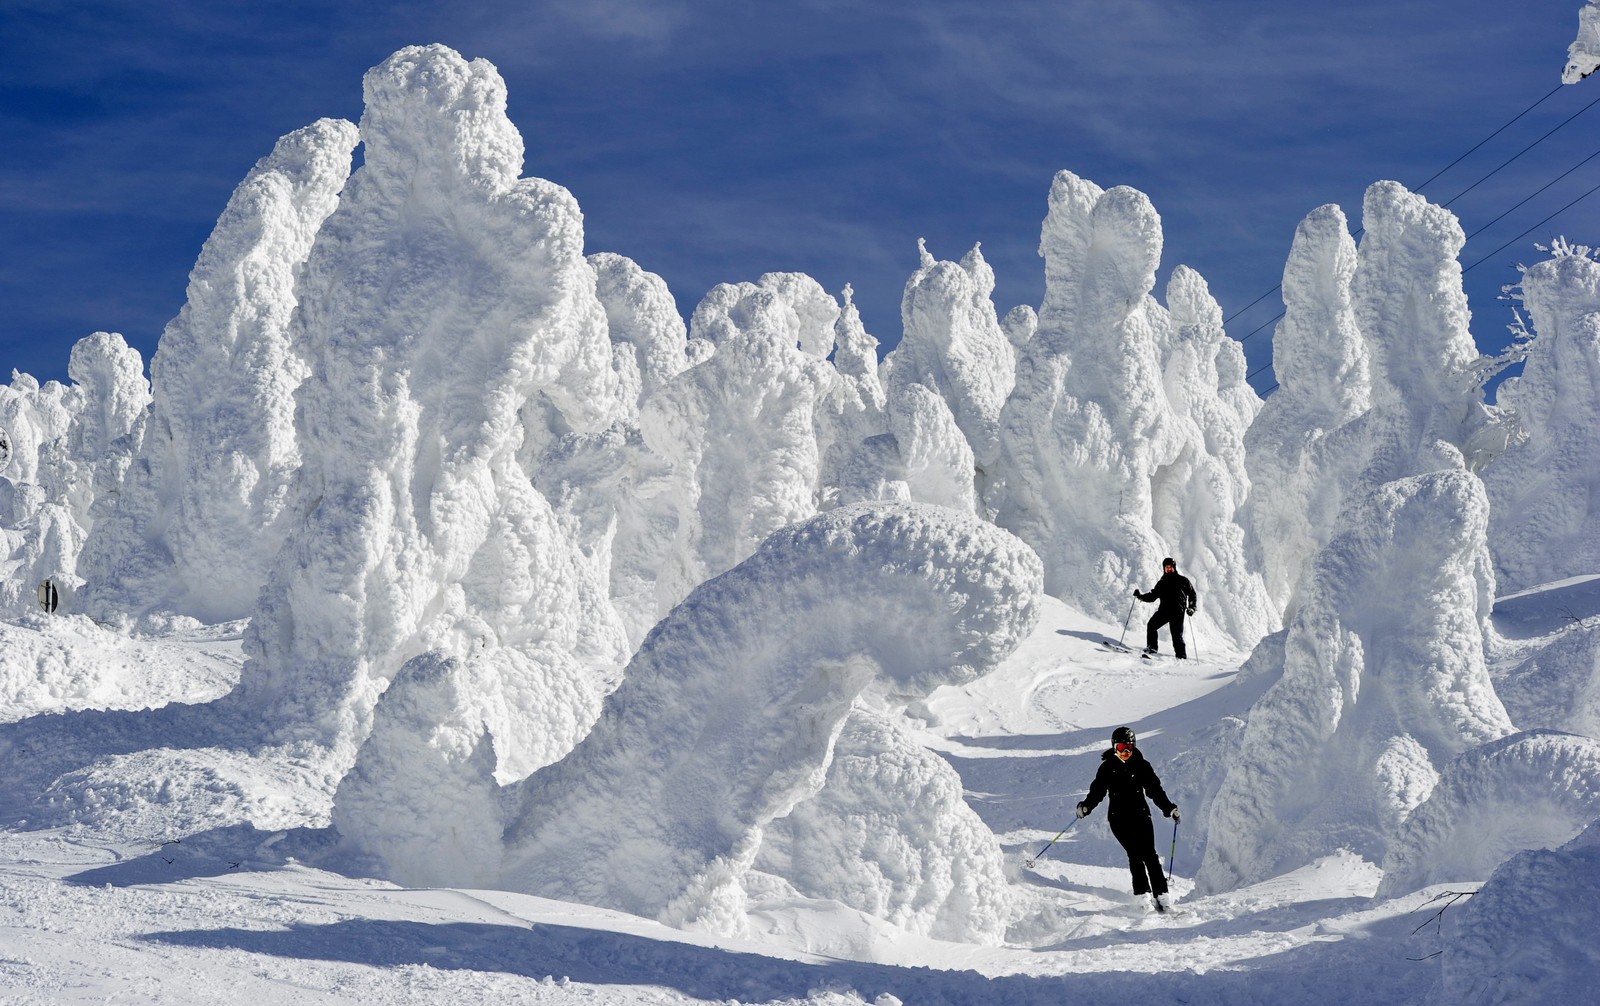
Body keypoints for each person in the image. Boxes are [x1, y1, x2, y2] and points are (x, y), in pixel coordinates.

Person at [1076, 726, 1180, 912]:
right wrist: (1086, 806)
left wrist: (1169, 808)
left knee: (1150, 854)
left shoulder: (1142, 765)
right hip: (1119, 819)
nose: (1125, 752)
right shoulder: (1107, 768)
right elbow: (1097, 791)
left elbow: (1155, 790)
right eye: (1122, 747)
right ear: (1114, 746)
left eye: (1129, 748)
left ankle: (1162, 896)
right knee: (1135, 855)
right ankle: (1143, 896)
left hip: (1141, 815)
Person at [1134, 556, 1196, 659]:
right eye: (1167, 567)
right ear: (1164, 568)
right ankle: (1152, 648)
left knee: (1176, 635)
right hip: (1164, 610)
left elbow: (1192, 594)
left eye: (1170, 567)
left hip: (1177, 612)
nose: (1168, 569)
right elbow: (1152, 596)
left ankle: (1181, 656)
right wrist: (1140, 596)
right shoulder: (1162, 582)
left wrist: (1192, 607)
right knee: (1152, 625)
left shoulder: (1183, 580)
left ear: (1174, 567)